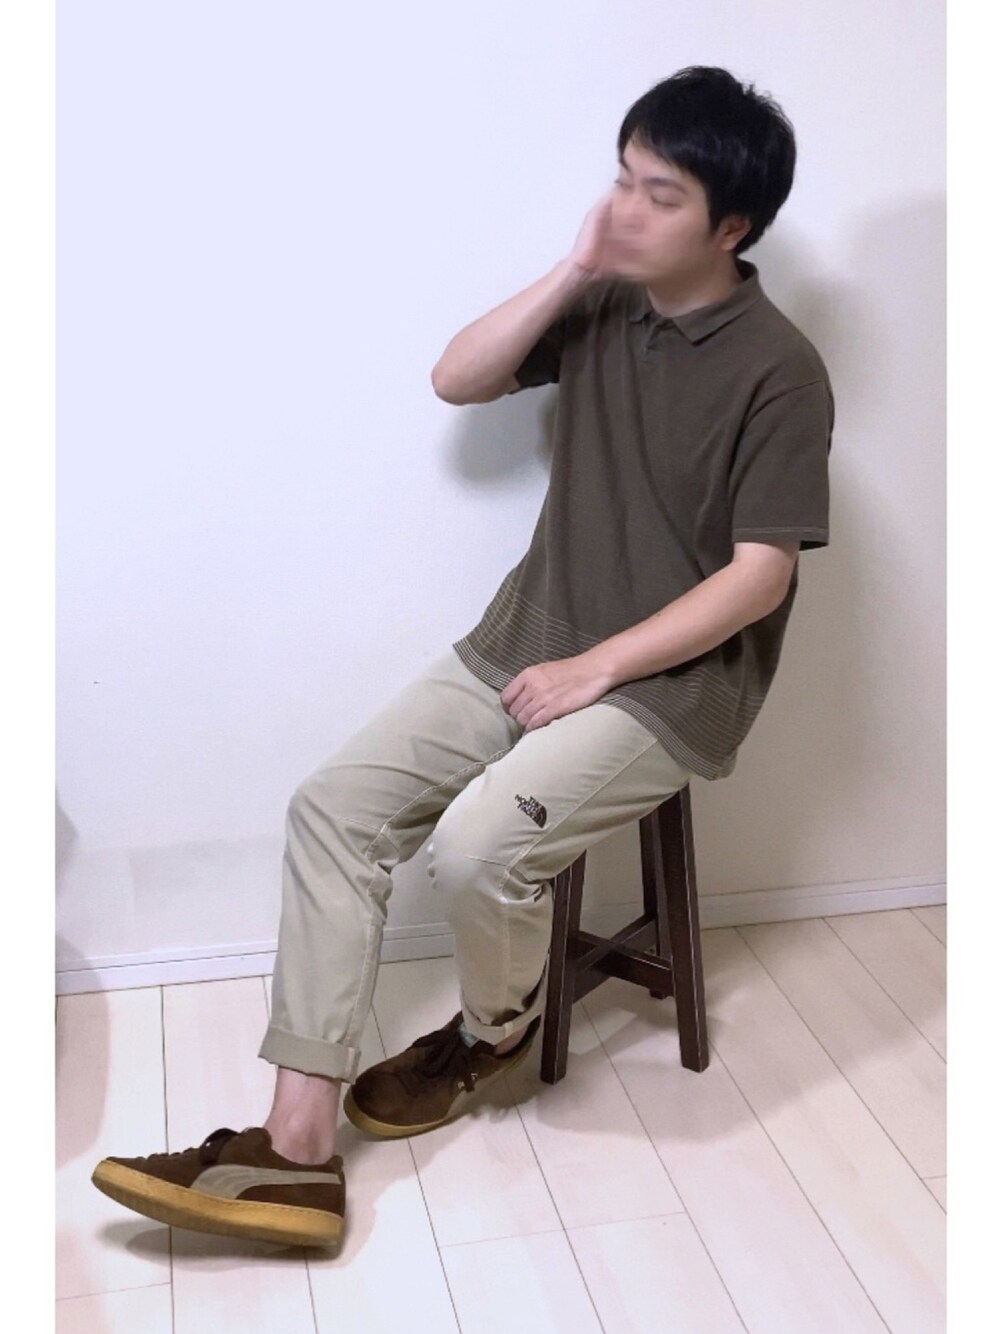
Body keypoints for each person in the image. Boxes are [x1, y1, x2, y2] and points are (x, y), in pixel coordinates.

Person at [90, 65, 834, 1250]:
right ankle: (294, 1149)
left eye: (659, 196)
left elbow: (760, 575)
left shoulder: (779, 368)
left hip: (671, 683)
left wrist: (598, 669)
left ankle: (492, 1031)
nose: (625, 209)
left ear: (731, 226)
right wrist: (577, 268)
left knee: (480, 845)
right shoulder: (604, 300)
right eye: (621, 180)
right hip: (529, 633)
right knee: (334, 804)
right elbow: (456, 376)